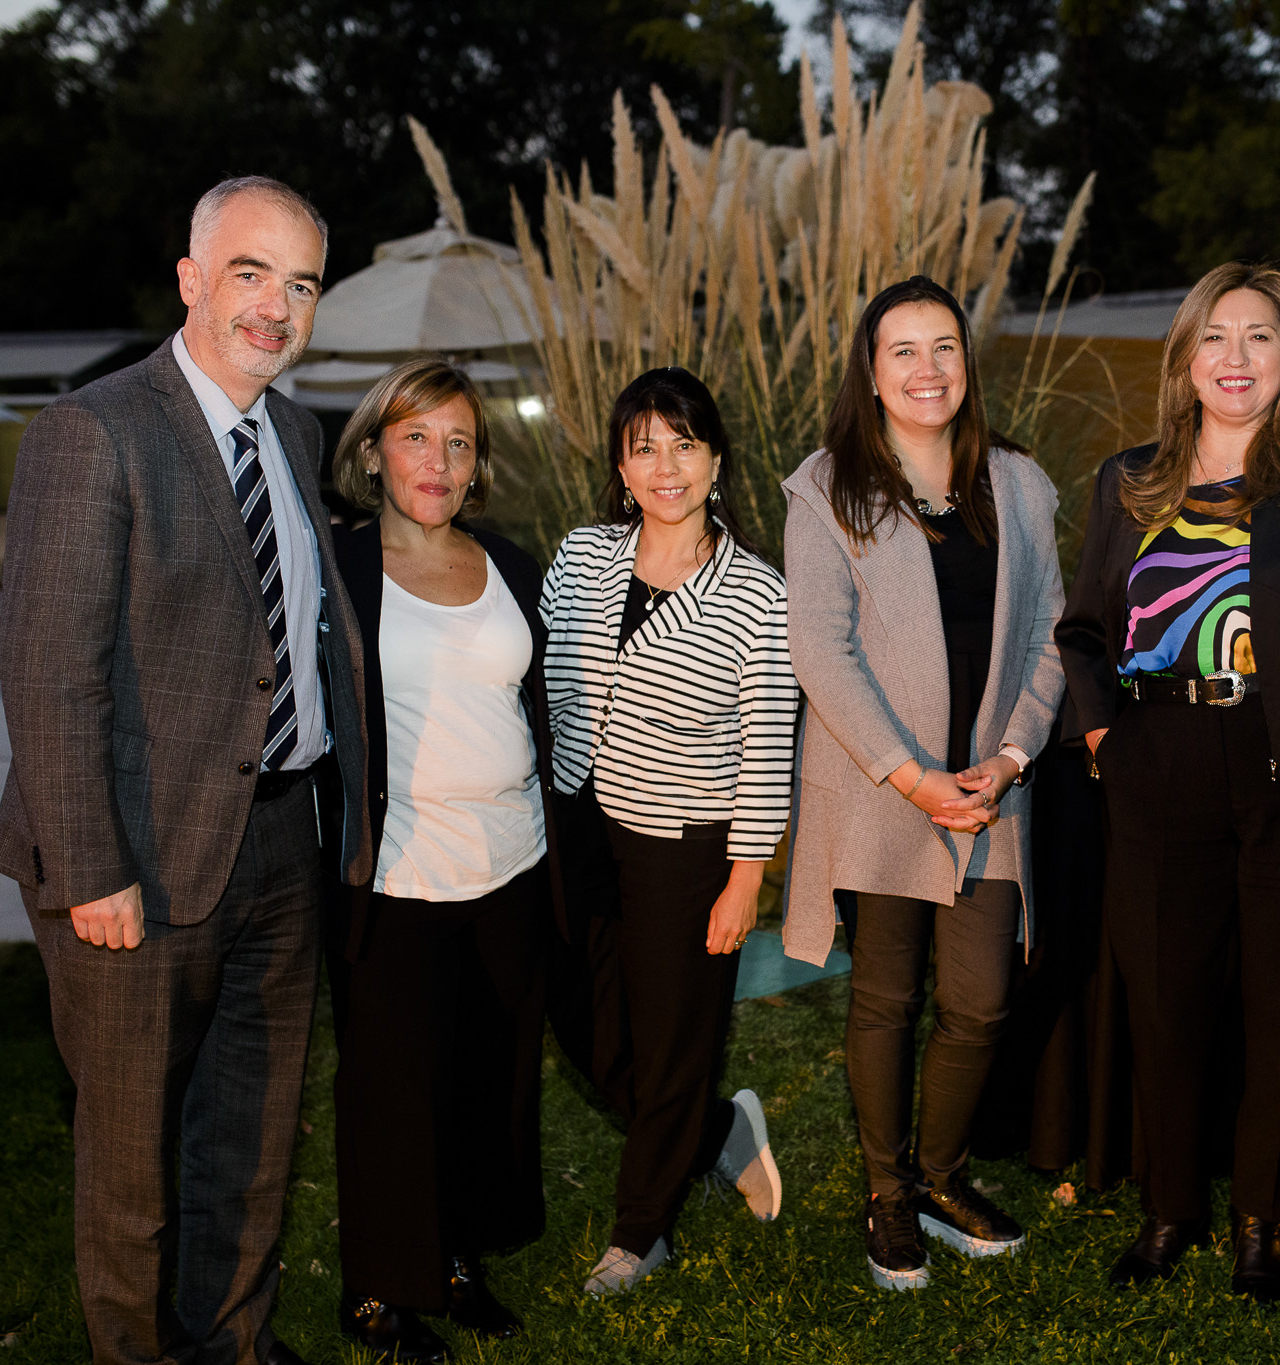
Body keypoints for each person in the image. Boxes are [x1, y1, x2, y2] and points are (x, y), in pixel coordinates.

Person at [0, 177, 366, 1365]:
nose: (276, 306)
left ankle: (233, 1341)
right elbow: (51, 672)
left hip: (280, 841)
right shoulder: (94, 431)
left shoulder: (294, 435)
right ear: (193, 280)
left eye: (300, 284)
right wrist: (90, 868)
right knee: (132, 1156)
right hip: (134, 854)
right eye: (251, 273)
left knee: (249, 1132)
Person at [1056, 262, 1280, 1299]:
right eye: (1214, 337)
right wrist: (1106, 741)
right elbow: (1084, 632)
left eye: (1258, 337)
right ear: (1185, 359)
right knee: (1164, 998)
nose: (1235, 357)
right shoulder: (1128, 480)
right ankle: (1170, 1206)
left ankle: (1261, 1219)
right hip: (1156, 757)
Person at [782, 275, 1066, 1291]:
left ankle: (940, 1176)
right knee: (887, 997)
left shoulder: (1019, 485)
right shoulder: (827, 488)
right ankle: (886, 1192)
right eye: (902, 350)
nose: (926, 369)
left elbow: (1049, 635)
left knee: (980, 1003)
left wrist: (1012, 756)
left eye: (943, 346)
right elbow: (819, 649)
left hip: (989, 795)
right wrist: (913, 779)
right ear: (870, 371)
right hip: (882, 788)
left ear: (965, 361)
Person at [541, 366, 797, 1296]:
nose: (665, 467)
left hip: (683, 844)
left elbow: (768, 743)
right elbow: (530, 672)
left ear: (716, 459)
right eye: (644, 447)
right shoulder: (582, 556)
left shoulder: (757, 593)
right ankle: (714, 1128)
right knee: (584, 1023)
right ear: (620, 466)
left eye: (683, 445)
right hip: (575, 820)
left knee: (671, 1036)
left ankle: (640, 1230)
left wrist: (745, 878)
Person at [323, 357, 556, 1362]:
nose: (438, 459)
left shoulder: (508, 562)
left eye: (458, 443)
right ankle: (379, 1290)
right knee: (393, 1091)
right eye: (416, 436)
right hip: (397, 875)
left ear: (476, 467)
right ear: (374, 452)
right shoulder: (335, 567)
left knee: (487, 1079)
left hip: (513, 866)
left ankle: (457, 1260)